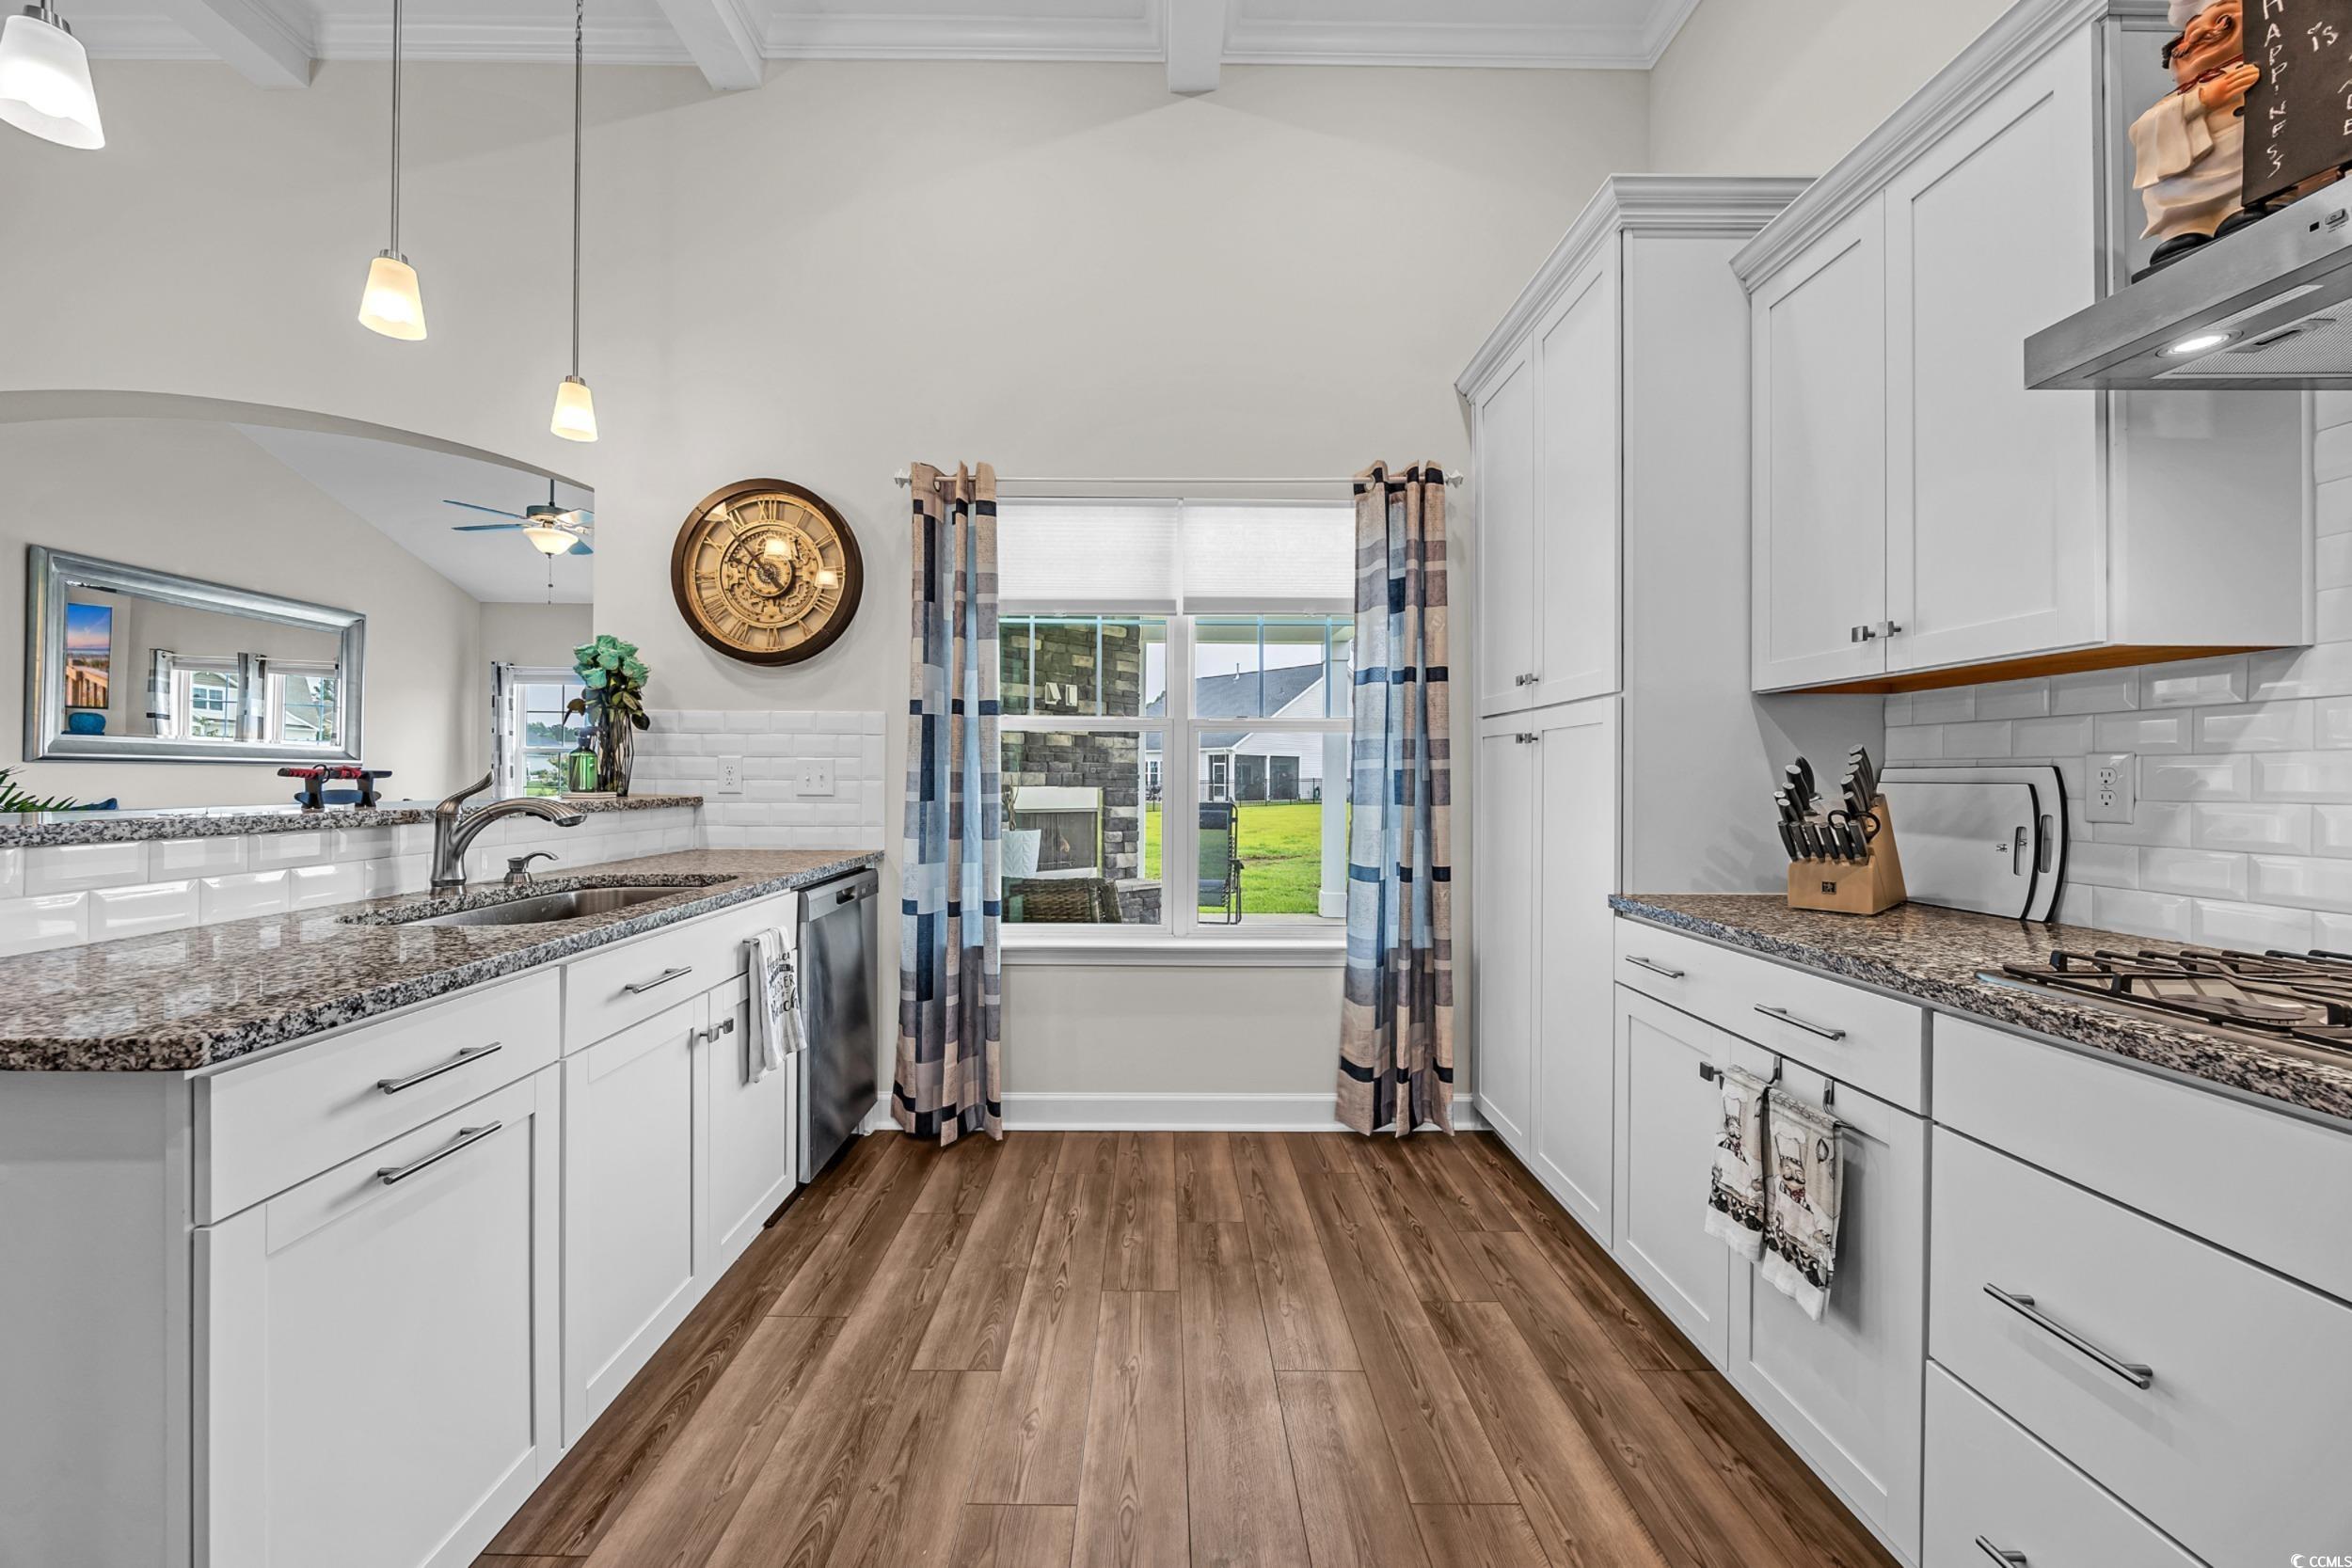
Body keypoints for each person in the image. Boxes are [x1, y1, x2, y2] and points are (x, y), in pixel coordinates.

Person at [2130, 0, 2260, 272]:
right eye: (2188, 35)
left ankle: (2242, 207)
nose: (2201, 32)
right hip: (2185, 192)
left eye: (2221, 20)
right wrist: (2202, 99)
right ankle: (2186, 228)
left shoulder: (2263, 65)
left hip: (2246, 172)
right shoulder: (2182, 95)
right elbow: (2141, 130)